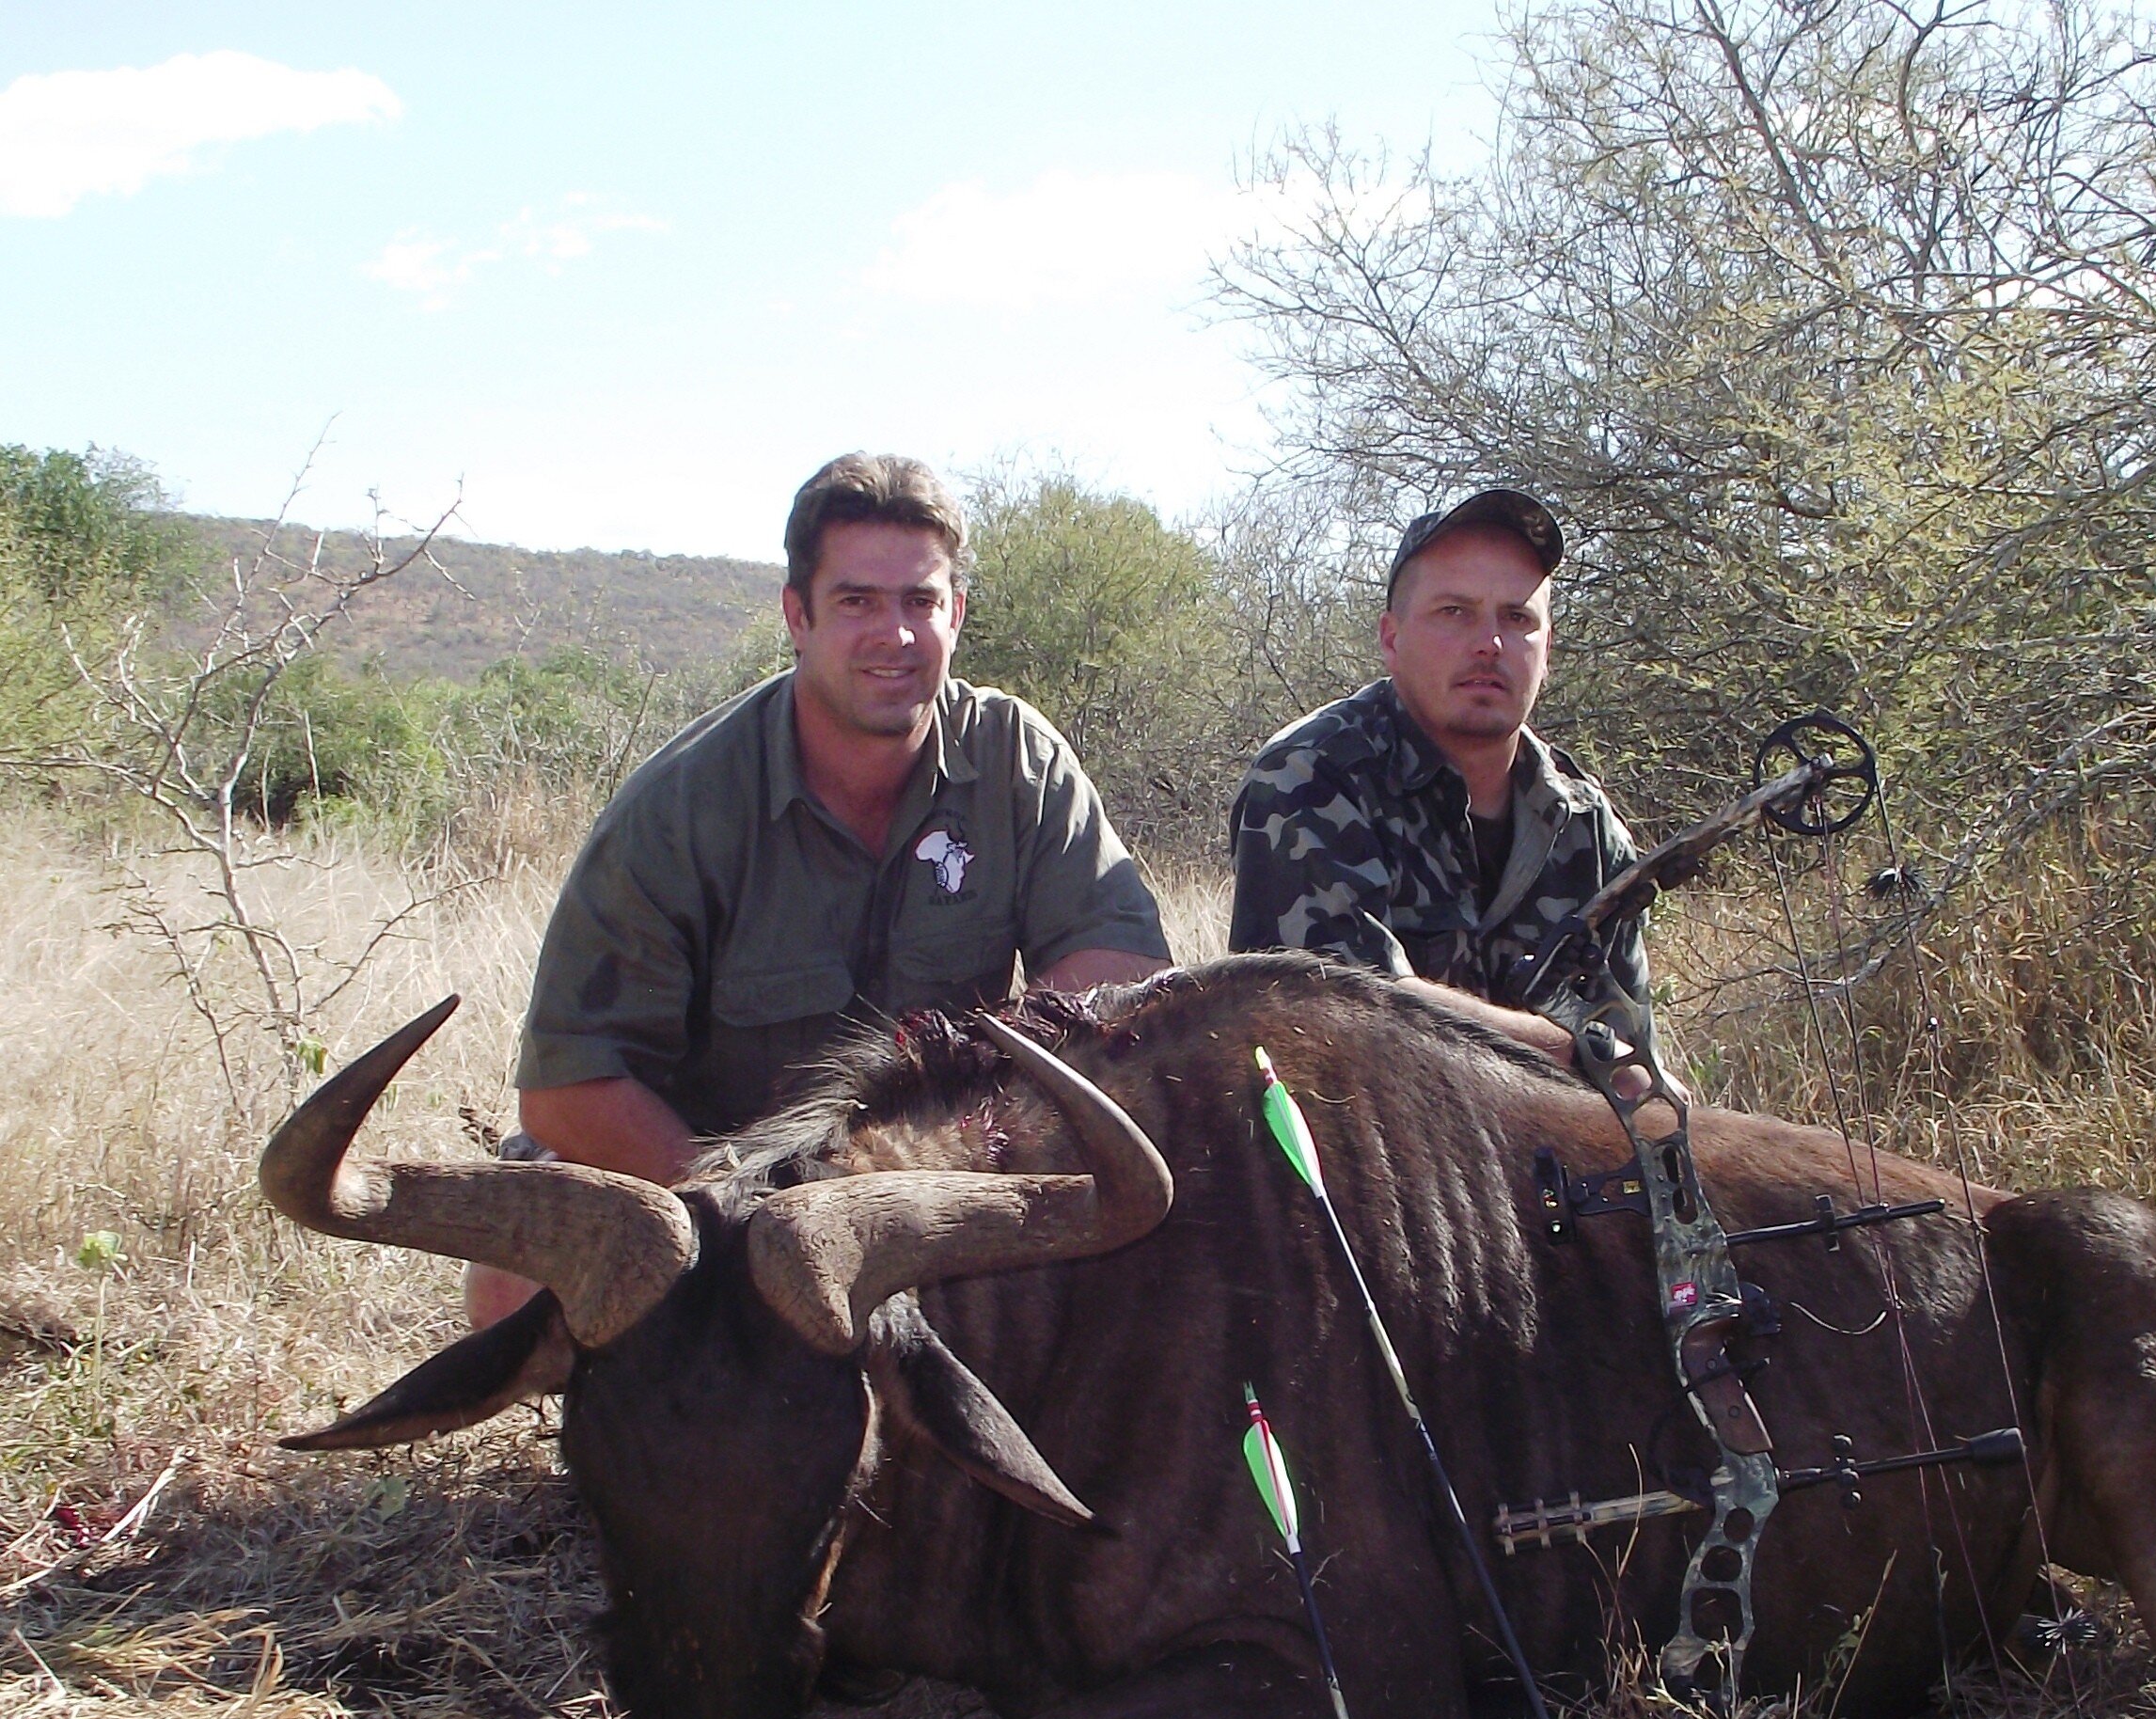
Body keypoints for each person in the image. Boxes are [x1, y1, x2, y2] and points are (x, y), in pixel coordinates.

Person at [466, 452, 1170, 1327]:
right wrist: (739, 1219)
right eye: (856, 603)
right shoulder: (681, 805)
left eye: (920, 602)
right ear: (797, 616)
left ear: (957, 613)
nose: (896, 635)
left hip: (930, 1179)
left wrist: (953, 1154)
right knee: (512, 1288)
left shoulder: (1016, 759)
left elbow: (1122, 980)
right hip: (712, 1184)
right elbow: (569, 1088)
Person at [1228, 486, 1649, 1065]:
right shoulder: (1311, 778)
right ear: (1391, 639)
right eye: (1455, 613)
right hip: (1365, 1144)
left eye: (1517, 617)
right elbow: (1351, 1015)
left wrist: (1616, 1066)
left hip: (1560, 1147)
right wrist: (1581, 1052)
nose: (1490, 644)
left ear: (1546, 649)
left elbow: (1635, 1052)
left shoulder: (1587, 827)